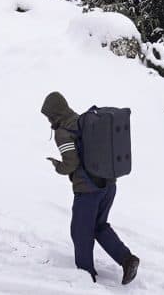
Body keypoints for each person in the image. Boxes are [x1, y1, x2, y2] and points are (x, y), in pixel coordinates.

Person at [41, 91, 138, 284]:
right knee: (99, 226)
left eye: (48, 115)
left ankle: (85, 276)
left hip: (88, 190)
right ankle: (127, 260)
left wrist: (57, 166)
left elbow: (71, 163)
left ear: (53, 113)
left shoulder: (63, 132)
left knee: (81, 232)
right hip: (108, 184)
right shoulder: (81, 121)